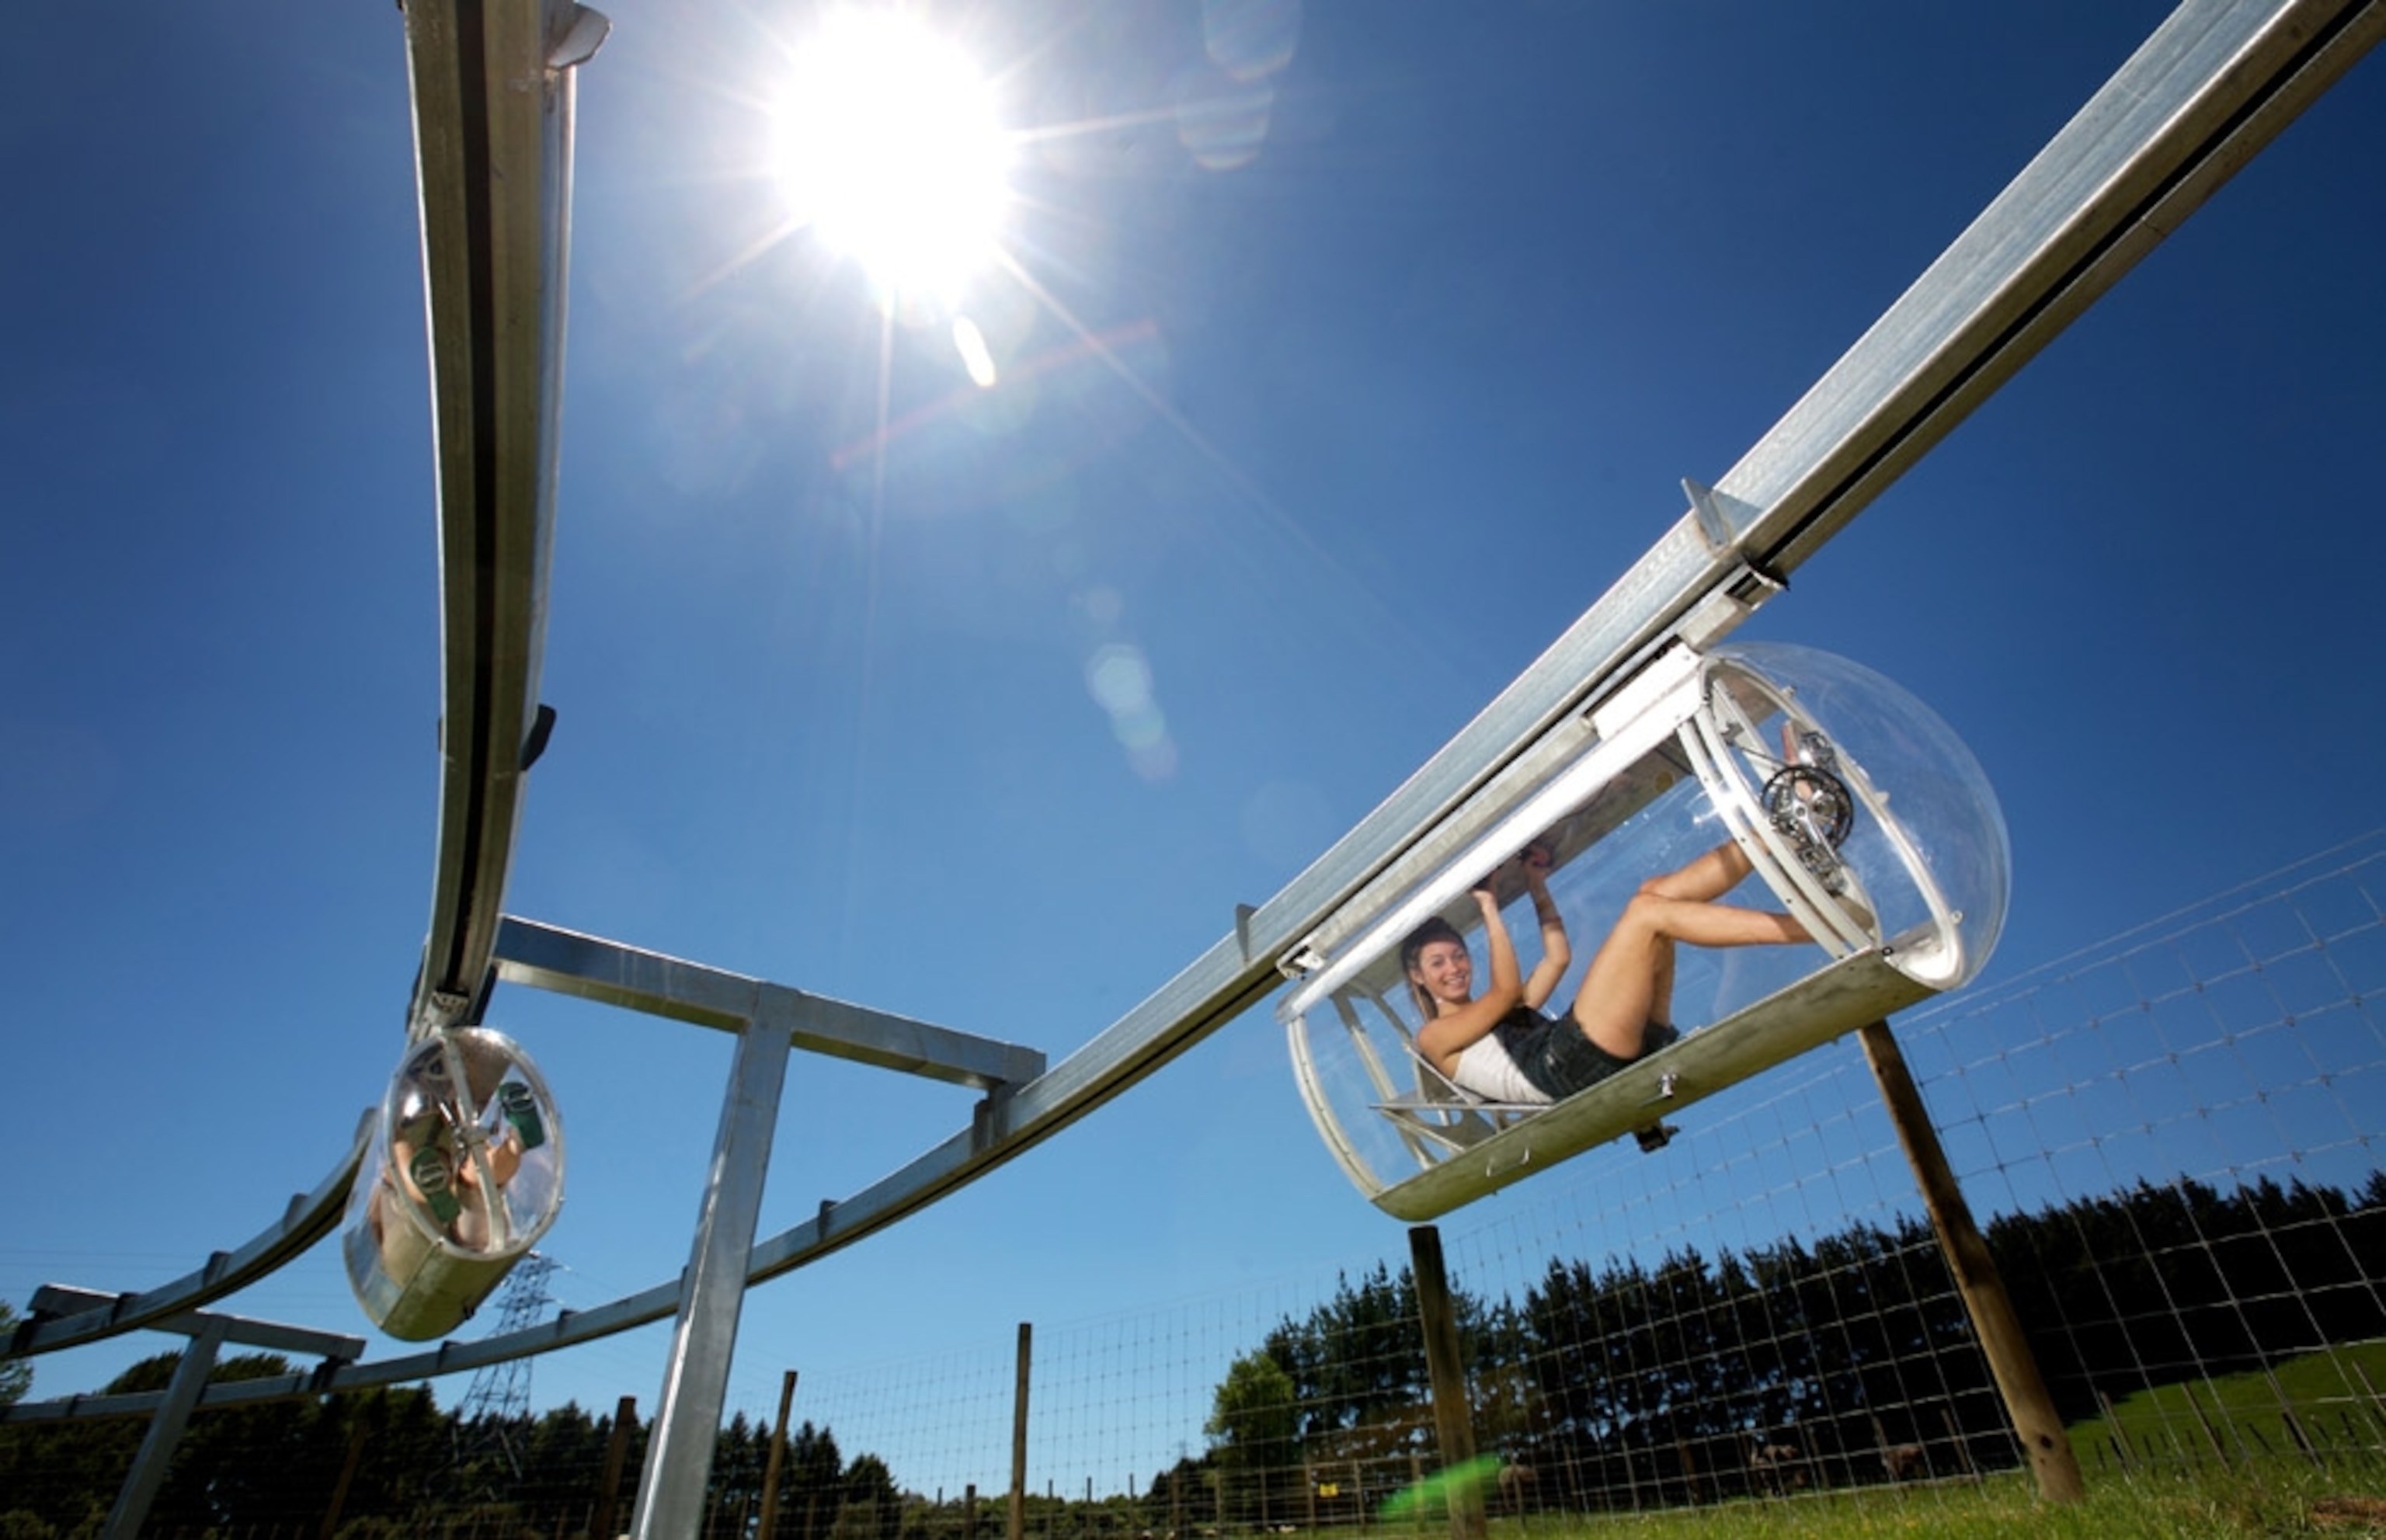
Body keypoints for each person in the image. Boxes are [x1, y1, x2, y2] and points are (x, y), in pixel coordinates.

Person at [1402, 840, 1810, 1104]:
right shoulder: (1435, 1037)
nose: (1454, 968)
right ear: (1418, 976)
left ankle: (1779, 834)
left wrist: (1535, 883)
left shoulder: (1501, 1016)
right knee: (1645, 915)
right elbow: (1506, 991)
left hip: (1598, 1052)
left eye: (1458, 956)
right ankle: (1810, 925)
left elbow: (1557, 957)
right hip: (1561, 1069)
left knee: (1654, 891)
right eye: (1438, 963)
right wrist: (1489, 906)